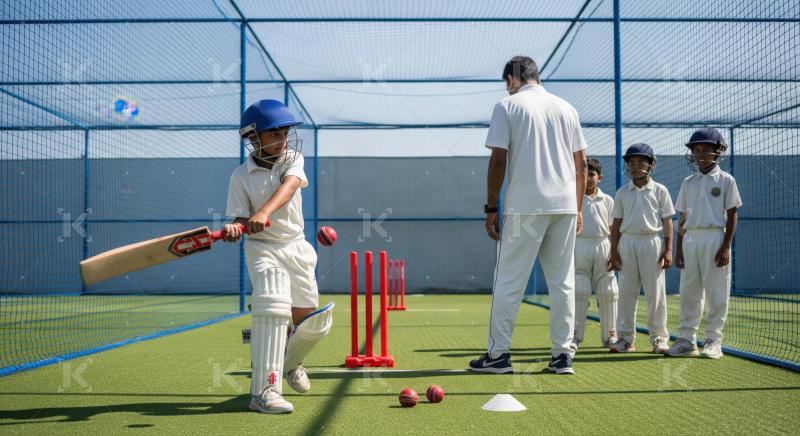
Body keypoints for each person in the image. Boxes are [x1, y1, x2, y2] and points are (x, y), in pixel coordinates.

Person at [468, 56, 588, 375]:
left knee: (509, 280)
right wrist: (578, 209)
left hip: (524, 206)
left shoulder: (507, 107)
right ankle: (563, 356)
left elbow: (497, 161)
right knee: (562, 282)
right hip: (564, 205)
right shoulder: (567, 108)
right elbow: (582, 166)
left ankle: (498, 356)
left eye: (506, 83)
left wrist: (491, 208)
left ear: (511, 80)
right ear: (537, 76)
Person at [223, 99, 333, 414]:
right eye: (274, 134)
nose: (283, 139)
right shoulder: (240, 177)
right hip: (263, 248)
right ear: (254, 138)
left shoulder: (292, 159)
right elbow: (241, 220)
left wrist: (264, 211)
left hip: (295, 245)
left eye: (284, 132)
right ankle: (264, 392)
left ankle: (292, 361)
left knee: (311, 321)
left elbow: (290, 186)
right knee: (273, 303)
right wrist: (235, 228)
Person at [666, 128, 741, 359]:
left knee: (717, 291)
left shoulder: (726, 180)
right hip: (690, 240)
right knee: (689, 291)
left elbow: (732, 214)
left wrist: (726, 245)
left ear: (718, 151)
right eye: (696, 150)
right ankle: (687, 341)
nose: (700, 155)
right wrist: (679, 249)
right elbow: (682, 219)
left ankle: (713, 341)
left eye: (705, 150)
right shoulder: (688, 182)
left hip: (715, 237)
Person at [608, 143, 674, 354]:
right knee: (627, 292)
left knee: (655, 292)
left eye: (641, 162)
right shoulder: (622, 192)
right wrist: (613, 251)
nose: (635, 166)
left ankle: (659, 339)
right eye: (632, 162)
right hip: (627, 243)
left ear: (651, 165)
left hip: (652, 242)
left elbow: (668, 222)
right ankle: (626, 339)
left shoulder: (660, 190)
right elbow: (616, 224)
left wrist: (669, 249)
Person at [572, 158, 619, 350]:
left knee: (608, 291)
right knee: (579, 290)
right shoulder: (574, 198)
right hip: (580, 245)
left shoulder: (607, 200)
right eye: (585, 174)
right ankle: (574, 337)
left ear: (599, 178)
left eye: (592, 174)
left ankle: (610, 336)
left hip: (603, 246)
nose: (589, 178)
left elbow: (613, 229)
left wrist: (615, 252)